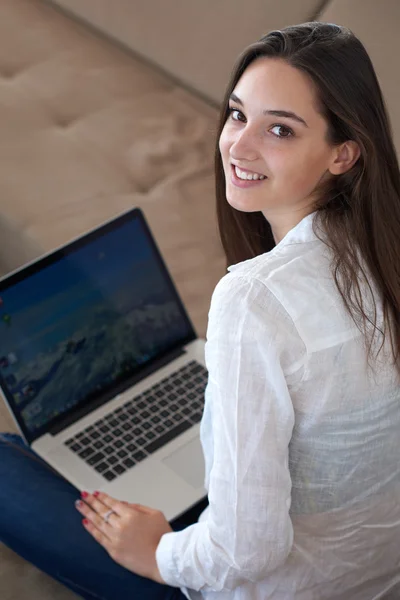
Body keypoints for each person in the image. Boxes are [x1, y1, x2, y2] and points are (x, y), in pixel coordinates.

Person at [2, 20, 400, 600]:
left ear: (343, 153)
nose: (238, 146)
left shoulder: (255, 301)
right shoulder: (384, 249)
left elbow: (247, 552)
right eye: (238, 114)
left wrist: (159, 553)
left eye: (281, 130)